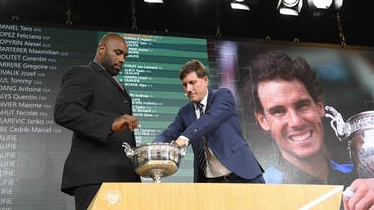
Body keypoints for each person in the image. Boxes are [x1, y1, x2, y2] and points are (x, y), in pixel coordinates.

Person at [245, 52, 374, 209]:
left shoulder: (359, 176)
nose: (296, 122)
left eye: (302, 105)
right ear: (263, 120)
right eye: (278, 111)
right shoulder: (259, 194)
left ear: (319, 106)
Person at [54, 33, 140, 210]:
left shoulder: (119, 86)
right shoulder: (82, 73)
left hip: (125, 176)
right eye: (117, 52)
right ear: (102, 49)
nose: (122, 59)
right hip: (96, 176)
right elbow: (64, 111)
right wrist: (109, 124)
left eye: (125, 55)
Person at [154, 59, 265, 183]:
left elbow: (209, 119)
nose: (188, 89)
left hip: (242, 173)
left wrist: (184, 139)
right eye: (185, 85)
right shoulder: (185, 112)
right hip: (209, 180)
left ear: (205, 80)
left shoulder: (223, 96)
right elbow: (168, 134)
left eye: (192, 82)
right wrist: (154, 148)